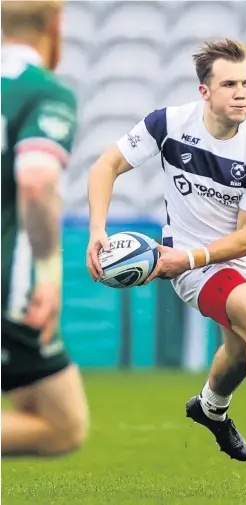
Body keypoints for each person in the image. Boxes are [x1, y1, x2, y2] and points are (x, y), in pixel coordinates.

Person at [86, 39, 246, 487]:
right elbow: (106, 166)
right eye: (229, 83)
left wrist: (188, 257)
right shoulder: (169, 124)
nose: (241, 93)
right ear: (204, 91)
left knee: (240, 349)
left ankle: (210, 408)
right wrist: (98, 230)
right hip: (194, 267)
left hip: (232, 258)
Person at [1, 0, 88, 456]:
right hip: (5, 286)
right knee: (62, 424)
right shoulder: (43, 92)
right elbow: (36, 183)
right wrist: (49, 274)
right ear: (56, 26)